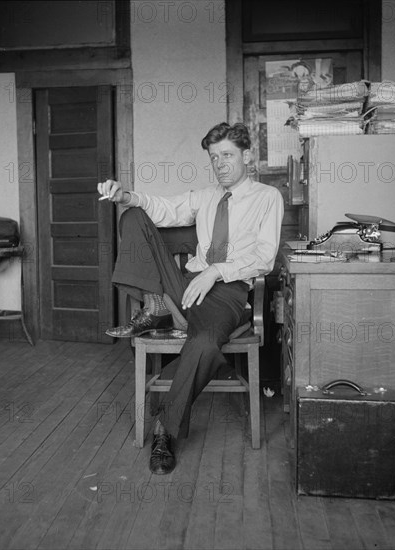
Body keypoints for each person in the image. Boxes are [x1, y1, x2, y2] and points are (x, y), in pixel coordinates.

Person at [97, 122, 284, 474]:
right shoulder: (206, 196)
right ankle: (156, 306)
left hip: (226, 291)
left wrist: (216, 271)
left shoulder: (267, 198)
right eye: (214, 158)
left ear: (246, 156)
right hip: (185, 285)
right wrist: (124, 195)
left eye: (227, 155)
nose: (220, 164)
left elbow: (264, 257)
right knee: (134, 214)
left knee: (205, 343)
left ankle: (164, 430)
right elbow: (164, 208)